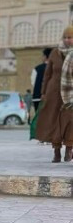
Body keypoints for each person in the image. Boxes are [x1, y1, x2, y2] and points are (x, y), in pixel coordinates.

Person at [34, 25, 73, 162]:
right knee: (54, 121)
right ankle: (56, 151)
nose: (68, 40)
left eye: (70, 38)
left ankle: (69, 149)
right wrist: (43, 92)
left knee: (70, 121)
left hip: (70, 94)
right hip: (54, 93)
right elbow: (47, 74)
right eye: (66, 37)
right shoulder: (55, 53)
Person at [30, 48, 52, 122]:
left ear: (45, 56)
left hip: (38, 97)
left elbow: (33, 82)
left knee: (40, 119)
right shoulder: (57, 69)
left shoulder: (37, 68)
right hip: (52, 98)